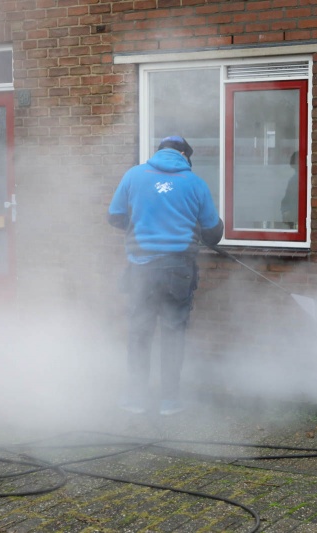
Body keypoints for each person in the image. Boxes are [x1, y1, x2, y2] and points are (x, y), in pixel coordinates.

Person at [108, 136, 223, 416]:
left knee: (139, 332)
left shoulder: (134, 175)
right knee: (173, 333)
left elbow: (114, 216)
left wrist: (140, 226)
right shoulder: (195, 183)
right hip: (177, 270)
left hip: (141, 267)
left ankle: (135, 399)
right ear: (184, 154)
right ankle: (169, 402)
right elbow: (213, 232)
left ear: (160, 151)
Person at [281, 151, 299, 228]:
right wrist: (285, 211)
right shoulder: (293, 180)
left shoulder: (297, 180)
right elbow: (286, 200)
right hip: (294, 222)